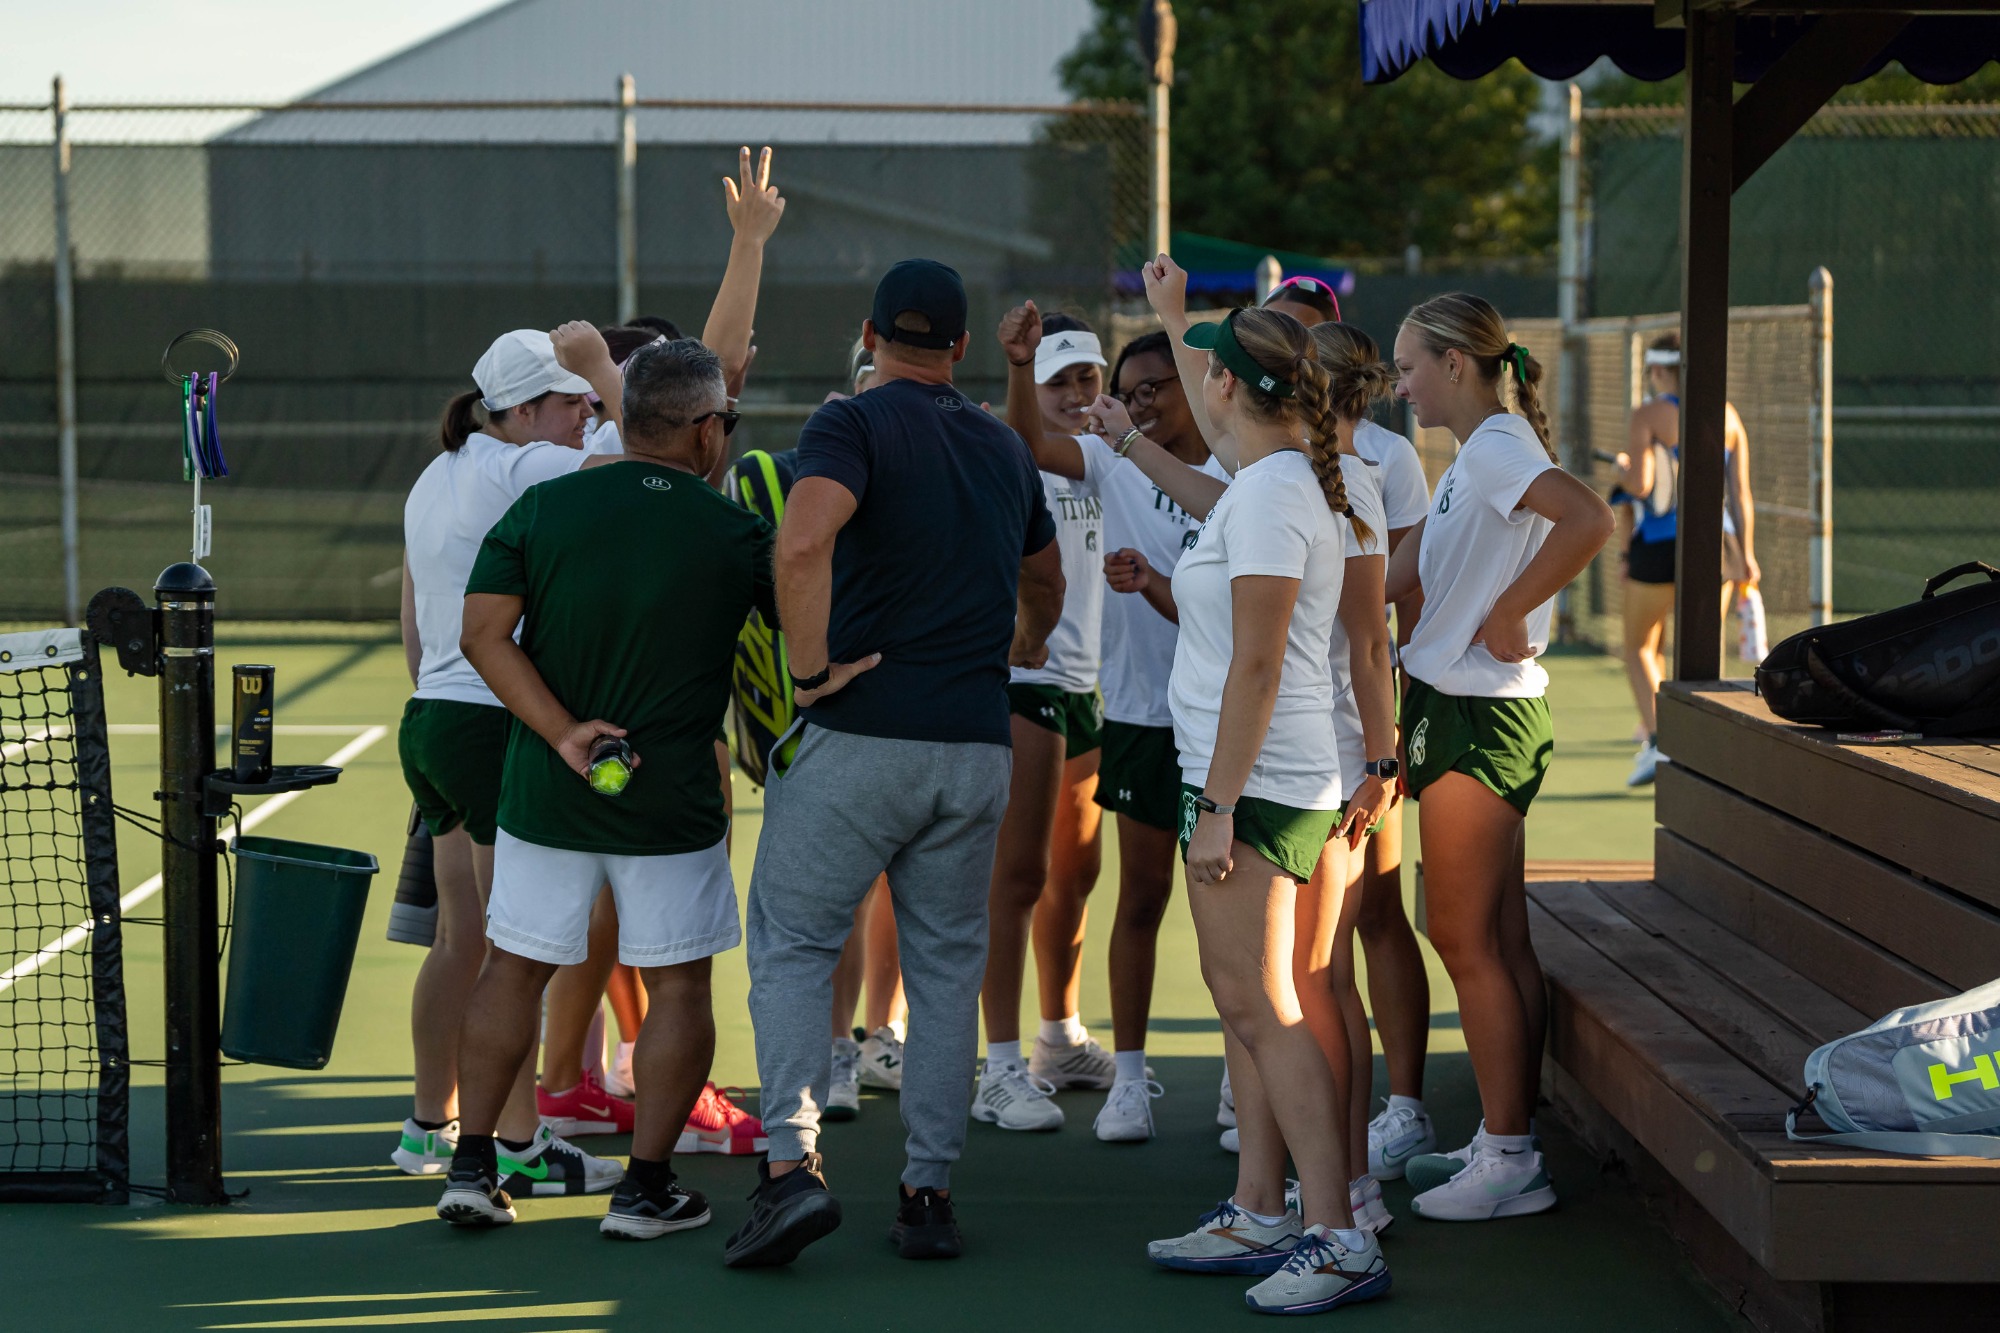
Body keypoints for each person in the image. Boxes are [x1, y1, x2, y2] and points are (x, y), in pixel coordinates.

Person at [726, 259, 1062, 1268]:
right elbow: (1045, 577)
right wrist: (1022, 640)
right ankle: (926, 1195)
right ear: (960, 348)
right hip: (973, 745)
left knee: (790, 944)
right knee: (947, 970)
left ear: (869, 336)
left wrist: (807, 670)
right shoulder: (1003, 446)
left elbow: (799, 541)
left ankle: (790, 1171)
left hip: (861, 736)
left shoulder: (852, 423)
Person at [438, 337, 778, 1240]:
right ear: (708, 432)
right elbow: (805, 630)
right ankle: (645, 1189)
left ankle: (474, 1167)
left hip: (549, 791)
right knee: (677, 989)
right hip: (672, 802)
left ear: (622, 419)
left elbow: (482, 635)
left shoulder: (545, 507)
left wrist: (562, 734)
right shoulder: (739, 532)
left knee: (514, 965)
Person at [536, 145, 785, 1148]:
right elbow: (716, 365)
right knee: (668, 941)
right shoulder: (642, 471)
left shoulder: (570, 475)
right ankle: (651, 1104)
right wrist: (748, 246)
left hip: (574, 731)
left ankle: (567, 1090)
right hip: (654, 735)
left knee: (576, 928)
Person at [1386, 294, 1613, 1222]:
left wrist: (1515, 606)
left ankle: (1512, 1158)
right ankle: (1503, 1134)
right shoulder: (1477, 450)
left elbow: (1590, 519)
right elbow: (1417, 570)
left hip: (1479, 714)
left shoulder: (1493, 446)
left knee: (1462, 937)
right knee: (1501, 938)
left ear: (1452, 363)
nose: (1398, 384)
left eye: (1406, 367)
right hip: (1467, 705)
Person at [393, 323, 630, 1200]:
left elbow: (418, 635)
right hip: (490, 727)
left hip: (432, 723)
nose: (588, 416)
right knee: (514, 950)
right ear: (525, 410)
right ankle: (522, 1142)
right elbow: (648, 466)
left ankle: (428, 1125)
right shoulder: (516, 463)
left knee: (461, 939)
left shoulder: (438, 474)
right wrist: (620, 380)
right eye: (575, 404)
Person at [1001, 315, 1227, 1142]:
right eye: (1127, 393)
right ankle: (1128, 1079)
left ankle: (1244, 1076)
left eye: (1151, 390)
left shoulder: (1247, 468)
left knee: (1232, 911)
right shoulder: (1108, 457)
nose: (1137, 404)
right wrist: (1021, 369)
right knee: (1141, 897)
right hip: (1140, 714)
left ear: (1200, 388)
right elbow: (1028, 444)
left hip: (1236, 723)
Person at [973, 311, 1116, 1137]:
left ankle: (1058, 1037)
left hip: (1088, 691)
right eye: (1056, 380)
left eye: (1083, 378)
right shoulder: (1015, 456)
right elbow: (1025, 445)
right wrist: (1022, 375)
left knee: (1077, 873)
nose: (1073, 394)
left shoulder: (1107, 458)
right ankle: (996, 1066)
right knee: (1015, 878)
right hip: (1024, 682)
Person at [1615, 332, 1761, 787]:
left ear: (1659, 370)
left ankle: (1661, 740)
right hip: (1714, 549)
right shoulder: (1729, 415)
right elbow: (1740, 495)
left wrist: (1621, 470)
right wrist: (1748, 558)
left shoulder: (1648, 414)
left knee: (1639, 646)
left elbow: (1639, 485)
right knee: (1698, 654)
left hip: (1658, 546)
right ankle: (1700, 750)